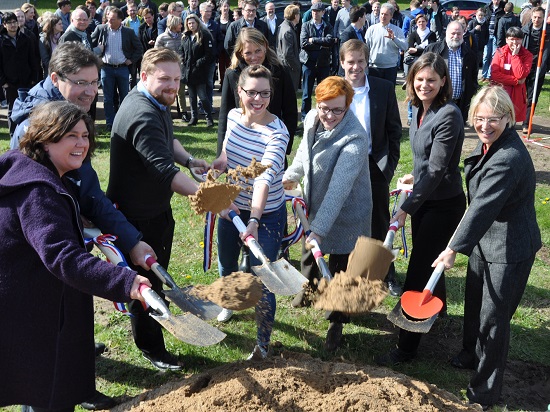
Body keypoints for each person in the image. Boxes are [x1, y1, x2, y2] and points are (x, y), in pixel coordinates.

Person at [0, 100, 150, 412]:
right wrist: (127, 282)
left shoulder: (38, 172)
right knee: (46, 390)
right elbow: (63, 257)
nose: (82, 143)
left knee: (46, 386)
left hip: (31, 299)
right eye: (71, 136)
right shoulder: (40, 192)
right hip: (29, 309)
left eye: (85, 135)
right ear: (45, 139)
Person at [433, 85, 541, 410]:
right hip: (485, 239)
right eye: (479, 118)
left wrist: (453, 248)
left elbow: (481, 207)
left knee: (494, 319)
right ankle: (470, 353)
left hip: (510, 248)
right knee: (474, 303)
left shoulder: (508, 158)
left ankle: (484, 391)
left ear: (508, 117)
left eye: (493, 119)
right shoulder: (490, 145)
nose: (484, 125)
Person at [106, 47, 210, 371]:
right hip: (136, 218)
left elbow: (168, 143)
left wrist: (189, 160)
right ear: (144, 76)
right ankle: (151, 347)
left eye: (177, 79)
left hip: (155, 210)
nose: (173, 86)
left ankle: (155, 331)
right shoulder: (142, 113)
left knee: (155, 278)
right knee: (145, 285)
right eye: (165, 79)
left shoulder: (156, 101)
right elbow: (165, 173)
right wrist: (210, 197)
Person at [377, 52, 466, 366]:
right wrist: (415, 177)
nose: (425, 85)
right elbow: (428, 162)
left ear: (443, 82)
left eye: (431, 80)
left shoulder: (449, 114)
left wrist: (405, 208)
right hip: (426, 197)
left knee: (418, 272)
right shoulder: (416, 109)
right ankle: (438, 315)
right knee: (429, 262)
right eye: (419, 79)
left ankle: (406, 348)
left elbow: (440, 168)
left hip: (443, 206)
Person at [283, 76, 372, 351]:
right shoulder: (312, 118)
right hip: (316, 199)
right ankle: (309, 291)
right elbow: (303, 153)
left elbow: (338, 190)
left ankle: (337, 320)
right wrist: (290, 176)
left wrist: (319, 230)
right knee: (309, 254)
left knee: (341, 268)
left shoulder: (355, 138)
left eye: (337, 110)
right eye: (324, 108)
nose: (329, 115)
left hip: (347, 210)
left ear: (348, 106)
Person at [212, 64, 289, 360]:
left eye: (265, 94)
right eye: (252, 92)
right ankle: (230, 301)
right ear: (239, 91)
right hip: (231, 208)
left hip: (265, 215)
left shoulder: (277, 134)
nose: (258, 99)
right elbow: (227, 152)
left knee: (263, 277)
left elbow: (263, 180)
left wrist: (254, 220)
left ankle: (262, 344)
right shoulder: (233, 116)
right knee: (226, 264)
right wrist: (221, 163)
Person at [338, 39, 403, 297]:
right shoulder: (333, 88)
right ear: (342, 62)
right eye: (350, 62)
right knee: (344, 220)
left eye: (360, 61)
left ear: (367, 62)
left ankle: (386, 273)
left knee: (379, 221)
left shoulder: (383, 88)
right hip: (342, 165)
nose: (356, 67)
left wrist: (388, 167)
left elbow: (394, 131)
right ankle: (349, 271)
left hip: (374, 165)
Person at [217, 27, 297, 158]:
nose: (254, 57)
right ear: (240, 53)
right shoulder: (232, 75)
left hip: (271, 143)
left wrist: (284, 147)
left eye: (258, 51)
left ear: (265, 46)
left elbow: (290, 111)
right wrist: (221, 154)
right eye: (248, 53)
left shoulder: (280, 71)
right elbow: (224, 116)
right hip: (240, 146)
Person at [91, 7, 143, 130]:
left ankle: (123, 122)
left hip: (122, 69)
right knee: (108, 98)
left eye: (113, 19)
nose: (109, 21)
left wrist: (131, 60)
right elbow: (90, 44)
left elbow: (139, 48)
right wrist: (97, 56)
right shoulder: (101, 29)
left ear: (120, 20)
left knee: (124, 97)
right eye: (108, 18)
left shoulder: (128, 32)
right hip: (106, 68)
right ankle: (110, 123)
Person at [424, 20, 479, 123]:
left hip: (460, 103)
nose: (456, 36)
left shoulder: (470, 54)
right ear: (446, 33)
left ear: (463, 34)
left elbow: (473, 76)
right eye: (453, 33)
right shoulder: (432, 50)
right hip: (437, 100)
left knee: (457, 129)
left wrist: (471, 92)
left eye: (459, 33)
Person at [0, 12, 40, 135]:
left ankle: (25, 134)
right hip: (10, 82)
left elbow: (33, 59)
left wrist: (33, 78)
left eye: (14, 22)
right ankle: (13, 135)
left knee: (28, 108)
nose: (13, 25)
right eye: (9, 23)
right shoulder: (1, 41)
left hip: (26, 80)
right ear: (4, 25)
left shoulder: (26, 39)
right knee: (12, 109)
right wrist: (3, 82)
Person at [299, 2, 335, 121]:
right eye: (313, 11)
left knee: (323, 92)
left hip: (323, 63)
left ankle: (322, 115)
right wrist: (321, 44)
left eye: (318, 11)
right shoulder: (306, 25)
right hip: (308, 63)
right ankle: (305, 117)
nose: (315, 13)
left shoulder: (327, 26)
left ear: (323, 12)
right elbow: (303, 43)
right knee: (306, 93)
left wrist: (313, 40)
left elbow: (330, 41)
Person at [490, 27, 532, 124]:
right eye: (512, 39)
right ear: (506, 40)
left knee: (511, 122)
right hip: (500, 92)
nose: (515, 42)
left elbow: (520, 75)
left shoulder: (527, 55)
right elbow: (495, 74)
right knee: (497, 120)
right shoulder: (500, 52)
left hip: (516, 95)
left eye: (518, 39)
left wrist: (515, 56)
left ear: (522, 40)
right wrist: (516, 81)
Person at [180, 13, 215, 127]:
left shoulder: (204, 35)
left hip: (200, 71)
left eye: (193, 23)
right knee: (191, 97)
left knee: (203, 96)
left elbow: (209, 54)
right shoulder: (185, 36)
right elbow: (181, 51)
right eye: (189, 23)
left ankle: (209, 118)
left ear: (197, 23)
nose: (191, 25)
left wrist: (199, 63)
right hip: (188, 71)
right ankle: (194, 117)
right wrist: (183, 60)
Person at [522, 6, 549, 133]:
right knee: (521, 96)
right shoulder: (525, 30)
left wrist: (544, 67)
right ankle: (514, 119)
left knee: (532, 97)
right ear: (531, 17)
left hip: (539, 69)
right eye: (535, 17)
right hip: (524, 67)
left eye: (539, 18)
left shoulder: (547, 32)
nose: (536, 20)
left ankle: (526, 122)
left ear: (544, 18)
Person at [364, 2, 407, 84]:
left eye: (386, 14)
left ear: (391, 16)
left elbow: (404, 46)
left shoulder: (397, 30)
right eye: (382, 14)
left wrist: (394, 38)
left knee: (389, 91)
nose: (383, 16)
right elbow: (366, 48)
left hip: (390, 68)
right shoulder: (371, 29)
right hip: (374, 67)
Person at [277, 5, 301, 90]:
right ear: (295, 16)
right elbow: (287, 54)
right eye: (299, 14)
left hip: (286, 67)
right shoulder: (288, 31)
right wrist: (297, 66)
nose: (300, 16)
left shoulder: (283, 26)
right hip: (289, 69)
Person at [481, 0, 505, 81]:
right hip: (487, 35)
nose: (496, 1)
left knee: (493, 56)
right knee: (486, 56)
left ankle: (489, 75)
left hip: (496, 35)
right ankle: (484, 75)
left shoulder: (503, 8)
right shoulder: (487, 7)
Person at [215, 0, 233, 89]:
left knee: (230, 67)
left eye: (227, 6)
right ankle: (223, 85)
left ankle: (230, 85)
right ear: (220, 8)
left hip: (230, 47)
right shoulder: (217, 20)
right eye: (224, 6)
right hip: (220, 48)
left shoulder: (232, 19)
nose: (226, 8)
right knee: (221, 67)